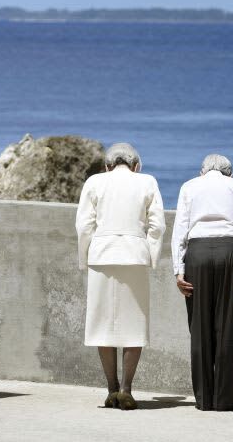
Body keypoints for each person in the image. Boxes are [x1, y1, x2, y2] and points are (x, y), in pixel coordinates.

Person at [76, 142, 165, 410]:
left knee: (102, 323)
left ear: (107, 165)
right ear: (136, 165)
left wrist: (85, 258)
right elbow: (157, 225)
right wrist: (151, 256)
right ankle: (126, 389)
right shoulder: (147, 181)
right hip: (134, 255)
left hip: (102, 256)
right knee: (134, 323)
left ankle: (111, 388)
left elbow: (83, 225)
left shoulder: (94, 182)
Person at [171, 154, 233, 411]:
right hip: (230, 252)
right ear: (229, 173)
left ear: (202, 171)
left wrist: (178, 270)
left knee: (199, 328)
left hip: (197, 254)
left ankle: (203, 400)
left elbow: (180, 230)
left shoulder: (189, 187)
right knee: (226, 326)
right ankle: (223, 399)